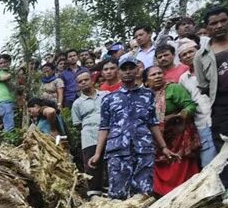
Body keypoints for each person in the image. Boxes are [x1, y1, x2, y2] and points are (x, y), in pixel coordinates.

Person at [89, 55, 179, 199]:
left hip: (143, 149)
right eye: (124, 69)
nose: (128, 72)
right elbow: (104, 127)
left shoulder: (147, 95)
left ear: (137, 70)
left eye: (131, 68)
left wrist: (163, 147)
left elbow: (152, 123)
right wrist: (98, 153)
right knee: (118, 195)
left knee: (143, 194)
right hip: (118, 151)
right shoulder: (109, 99)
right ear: (119, 72)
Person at [193, 6, 228, 201]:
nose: (219, 25)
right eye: (213, 23)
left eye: (223, 20)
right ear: (206, 28)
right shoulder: (201, 55)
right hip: (223, 102)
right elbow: (203, 84)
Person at [144, 65, 200, 195]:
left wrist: (180, 116)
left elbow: (190, 105)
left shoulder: (173, 88)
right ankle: (163, 193)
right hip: (157, 137)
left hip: (177, 133)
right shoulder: (144, 96)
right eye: (153, 75)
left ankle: (187, 191)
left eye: (159, 73)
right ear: (146, 82)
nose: (157, 76)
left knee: (179, 164)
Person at [177, 38, 217, 167]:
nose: (188, 55)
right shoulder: (183, 79)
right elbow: (186, 103)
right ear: (181, 59)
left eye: (191, 51)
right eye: (184, 54)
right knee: (208, 163)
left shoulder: (212, 66)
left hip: (221, 116)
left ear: (198, 51)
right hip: (202, 123)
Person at [71, 71, 108, 197]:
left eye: (86, 80)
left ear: (91, 80)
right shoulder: (77, 103)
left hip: (110, 134)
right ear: (78, 86)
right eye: (80, 82)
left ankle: (113, 191)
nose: (83, 83)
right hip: (89, 136)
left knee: (110, 163)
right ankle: (94, 195)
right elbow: (78, 124)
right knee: (92, 165)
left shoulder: (105, 95)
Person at [0, 54, 17, 132]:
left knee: (13, 123)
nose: (3, 64)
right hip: (4, 101)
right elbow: (4, 78)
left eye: (5, 62)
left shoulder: (12, 75)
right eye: (1, 63)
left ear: (9, 62)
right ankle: (8, 141)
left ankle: (10, 140)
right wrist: (15, 72)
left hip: (13, 101)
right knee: (9, 124)